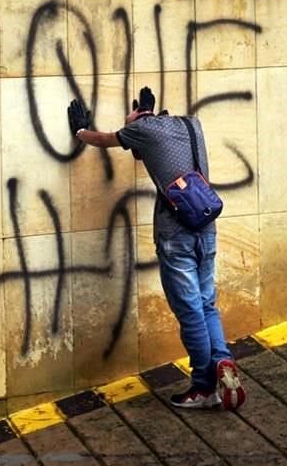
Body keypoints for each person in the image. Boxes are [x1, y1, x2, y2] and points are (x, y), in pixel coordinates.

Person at [67, 87, 246, 410]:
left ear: (137, 117)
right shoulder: (191, 124)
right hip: (206, 227)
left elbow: (106, 139)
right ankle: (222, 361)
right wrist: (145, 118)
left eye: (131, 116)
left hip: (175, 233)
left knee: (190, 310)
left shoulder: (141, 130)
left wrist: (80, 130)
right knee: (207, 304)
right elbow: (147, 152)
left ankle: (204, 387)